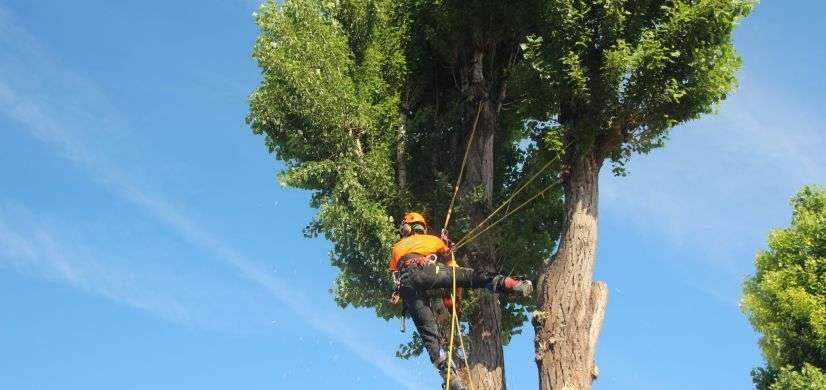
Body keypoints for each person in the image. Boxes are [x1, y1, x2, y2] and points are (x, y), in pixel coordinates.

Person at [390, 212, 533, 390]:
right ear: (422, 227)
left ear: (406, 229)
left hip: (406, 286)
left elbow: (395, 273)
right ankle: (511, 284)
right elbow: (451, 263)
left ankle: (450, 378)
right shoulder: (433, 240)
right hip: (427, 269)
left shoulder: (397, 247)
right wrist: (447, 246)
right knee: (471, 276)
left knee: (428, 334)